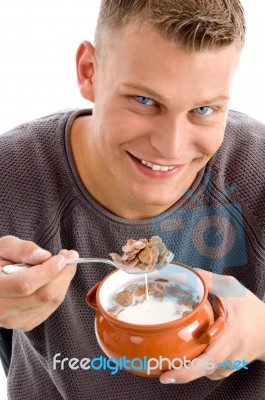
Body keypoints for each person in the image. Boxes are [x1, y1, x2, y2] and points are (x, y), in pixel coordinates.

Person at [0, 0, 265, 399]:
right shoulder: (12, 174)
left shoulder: (256, 169)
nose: (170, 147)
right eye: (144, 101)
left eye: (203, 109)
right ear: (89, 72)